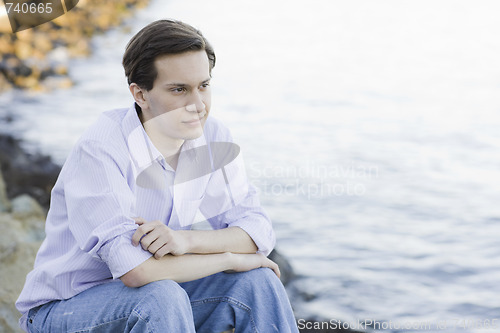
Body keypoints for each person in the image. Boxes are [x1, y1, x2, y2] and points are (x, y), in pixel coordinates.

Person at [15, 19, 299, 332]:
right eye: (179, 90)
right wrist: (230, 259)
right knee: (160, 295)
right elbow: (136, 272)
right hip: (66, 310)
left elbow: (256, 230)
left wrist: (185, 240)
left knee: (257, 282)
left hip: (154, 297)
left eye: (203, 86)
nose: (198, 105)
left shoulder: (212, 137)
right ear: (140, 94)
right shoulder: (100, 149)